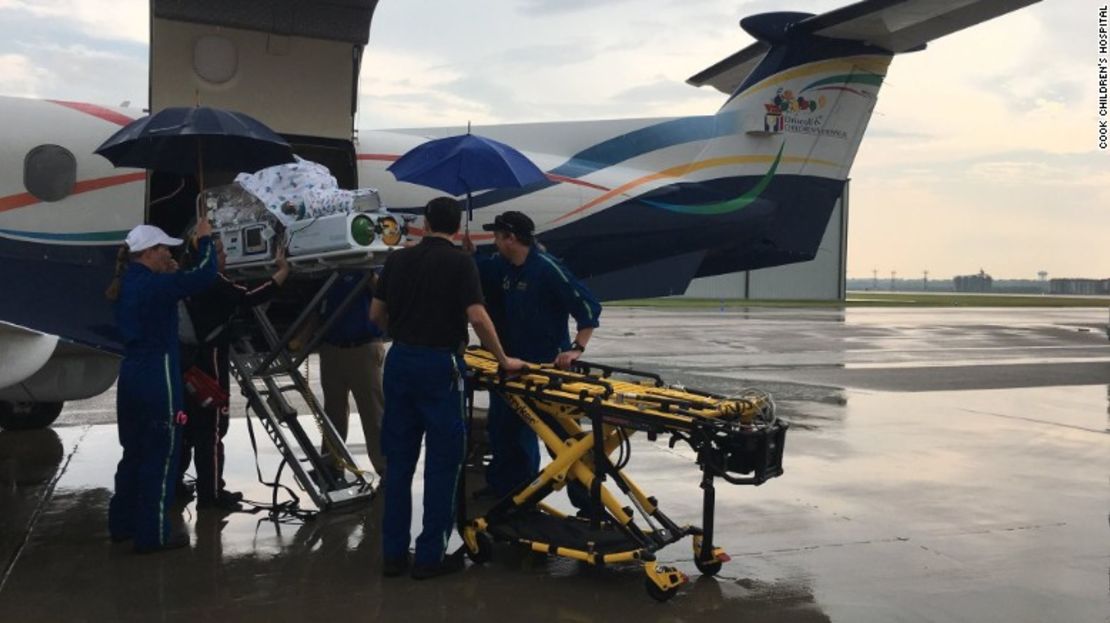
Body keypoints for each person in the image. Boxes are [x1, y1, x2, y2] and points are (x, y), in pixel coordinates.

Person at [370, 196, 524, 580]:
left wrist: (404, 331)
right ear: (456, 227)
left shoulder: (397, 260)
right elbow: (477, 316)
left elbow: (375, 315)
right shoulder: (460, 263)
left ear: (424, 222)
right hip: (439, 366)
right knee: (443, 463)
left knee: (400, 463)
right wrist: (503, 359)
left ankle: (392, 555)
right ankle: (429, 557)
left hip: (400, 361)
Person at [463, 211, 602, 498]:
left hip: (546, 370)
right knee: (504, 431)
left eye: (497, 236)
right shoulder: (501, 266)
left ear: (511, 238)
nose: (495, 242)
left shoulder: (548, 269)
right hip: (512, 366)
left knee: (561, 440)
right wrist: (468, 255)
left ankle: (588, 500)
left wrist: (576, 348)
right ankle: (511, 493)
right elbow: (475, 270)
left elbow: (588, 308)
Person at [105, 221, 217, 553]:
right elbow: (204, 277)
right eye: (164, 249)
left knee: (134, 453)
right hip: (158, 375)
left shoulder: (125, 284)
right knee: (162, 454)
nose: (168, 253)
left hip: (131, 376)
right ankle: (153, 534)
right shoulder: (156, 287)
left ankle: (122, 523)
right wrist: (207, 241)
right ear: (149, 253)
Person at [178, 240, 290, 512]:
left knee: (189, 430)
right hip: (211, 362)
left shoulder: (185, 279)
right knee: (213, 430)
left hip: (189, 362)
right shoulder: (214, 282)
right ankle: (212, 495)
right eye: (219, 252)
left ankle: (179, 486)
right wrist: (283, 272)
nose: (226, 255)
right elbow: (250, 297)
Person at [317, 269, 386, 477]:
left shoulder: (367, 264)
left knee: (373, 412)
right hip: (332, 346)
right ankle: (331, 462)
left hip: (363, 346)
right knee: (333, 411)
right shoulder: (327, 268)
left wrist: (369, 274)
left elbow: (384, 294)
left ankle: (385, 467)